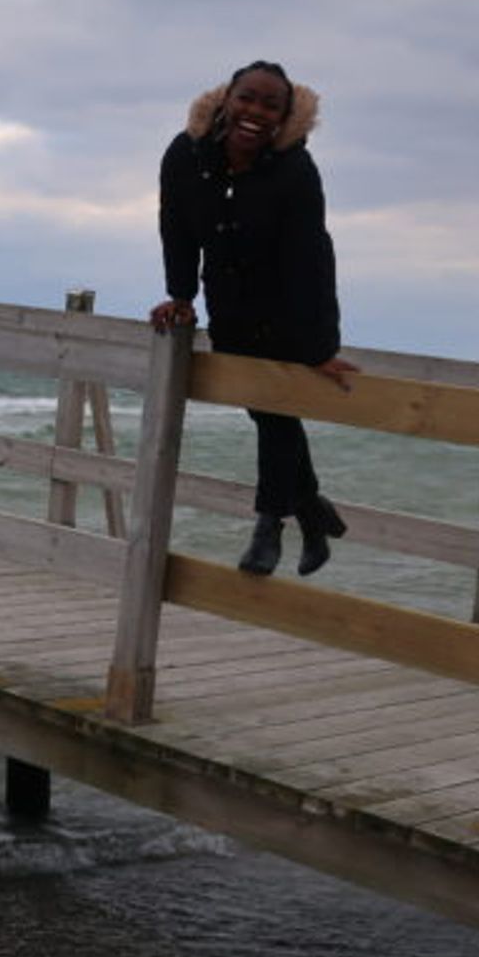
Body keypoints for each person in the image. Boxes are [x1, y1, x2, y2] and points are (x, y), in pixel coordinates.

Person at [150, 60, 358, 576]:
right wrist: (180, 294)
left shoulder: (294, 169)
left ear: (284, 116)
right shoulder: (187, 155)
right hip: (230, 306)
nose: (256, 112)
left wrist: (320, 348)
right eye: (247, 97)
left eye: (271, 105)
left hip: (286, 306)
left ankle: (270, 524)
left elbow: (314, 257)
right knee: (270, 413)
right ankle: (310, 509)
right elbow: (175, 224)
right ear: (226, 98)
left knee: (273, 412)